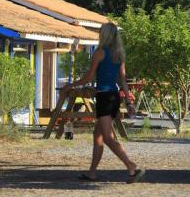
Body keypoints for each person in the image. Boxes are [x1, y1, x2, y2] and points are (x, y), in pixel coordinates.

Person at [61, 22, 146, 183]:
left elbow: (88, 77)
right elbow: (123, 79)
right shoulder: (119, 54)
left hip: (104, 99)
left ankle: (131, 166)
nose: (99, 34)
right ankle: (92, 173)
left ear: (105, 35)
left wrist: (69, 86)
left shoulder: (100, 53)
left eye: (100, 32)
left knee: (107, 138)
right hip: (114, 97)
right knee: (98, 136)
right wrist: (128, 101)